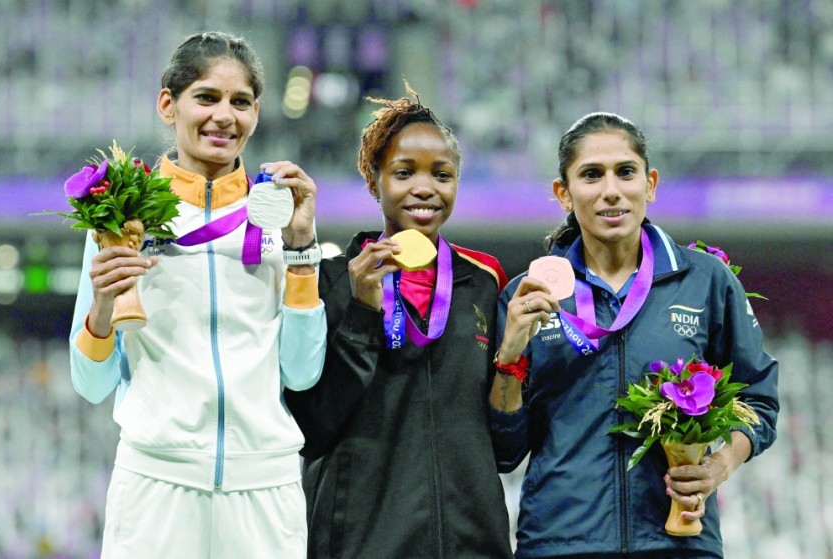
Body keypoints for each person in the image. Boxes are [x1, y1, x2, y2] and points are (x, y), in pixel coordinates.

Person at [69, 31, 326, 558]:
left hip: (264, 484)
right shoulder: (122, 214)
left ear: (256, 114)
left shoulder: (278, 214)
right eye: (207, 97)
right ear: (169, 104)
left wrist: (302, 248)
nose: (224, 116)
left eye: (241, 102)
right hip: (155, 482)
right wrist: (102, 305)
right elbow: (91, 384)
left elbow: (302, 372)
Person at [488, 112, 779, 558]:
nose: (611, 190)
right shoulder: (528, 297)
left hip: (677, 542)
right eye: (591, 175)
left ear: (650, 184)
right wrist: (509, 356)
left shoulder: (704, 281)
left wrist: (719, 465)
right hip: (560, 543)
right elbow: (504, 451)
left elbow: (759, 399)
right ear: (563, 193)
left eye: (625, 172)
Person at [283, 87, 515, 559]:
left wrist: (515, 359)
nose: (425, 188)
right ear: (374, 182)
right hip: (360, 543)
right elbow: (312, 427)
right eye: (404, 172)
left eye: (442, 174)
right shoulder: (330, 281)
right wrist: (362, 313)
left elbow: (504, 443)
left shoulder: (485, 282)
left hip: (472, 543)